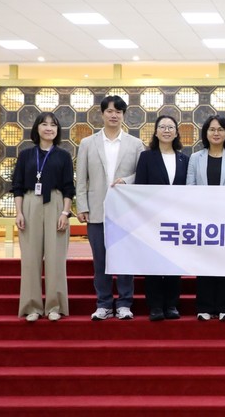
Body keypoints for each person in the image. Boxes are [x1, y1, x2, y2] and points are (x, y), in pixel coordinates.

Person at [76, 95, 145, 321]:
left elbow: (141, 175)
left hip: (125, 212)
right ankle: (104, 304)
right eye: (110, 111)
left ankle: (124, 303)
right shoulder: (88, 143)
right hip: (97, 210)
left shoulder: (135, 144)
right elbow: (81, 178)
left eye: (118, 112)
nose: (114, 115)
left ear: (123, 115)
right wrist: (82, 206)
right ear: (102, 114)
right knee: (100, 261)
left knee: (125, 258)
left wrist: (127, 180)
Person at [12, 112, 75, 322]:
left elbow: (69, 187)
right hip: (30, 203)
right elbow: (17, 186)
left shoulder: (63, 156)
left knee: (56, 258)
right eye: (44, 124)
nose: (49, 128)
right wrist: (19, 212)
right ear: (37, 128)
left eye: (53, 125)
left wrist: (65, 212)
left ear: (58, 130)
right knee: (30, 259)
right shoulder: (26, 155)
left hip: (56, 203)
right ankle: (32, 306)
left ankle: (55, 306)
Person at [187, 115, 225, 322]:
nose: (216, 133)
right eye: (212, 129)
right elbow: (190, 188)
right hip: (203, 218)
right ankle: (205, 306)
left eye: (220, 129)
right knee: (205, 262)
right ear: (206, 133)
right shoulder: (196, 158)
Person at [135, 115, 190, 322]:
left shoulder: (184, 159)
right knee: (153, 263)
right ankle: (156, 306)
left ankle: (172, 304)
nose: (167, 130)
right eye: (162, 127)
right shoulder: (146, 157)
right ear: (156, 132)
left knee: (174, 263)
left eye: (170, 127)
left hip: (177, 220)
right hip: (152, 220)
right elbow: (140, 187)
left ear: (176, 132)